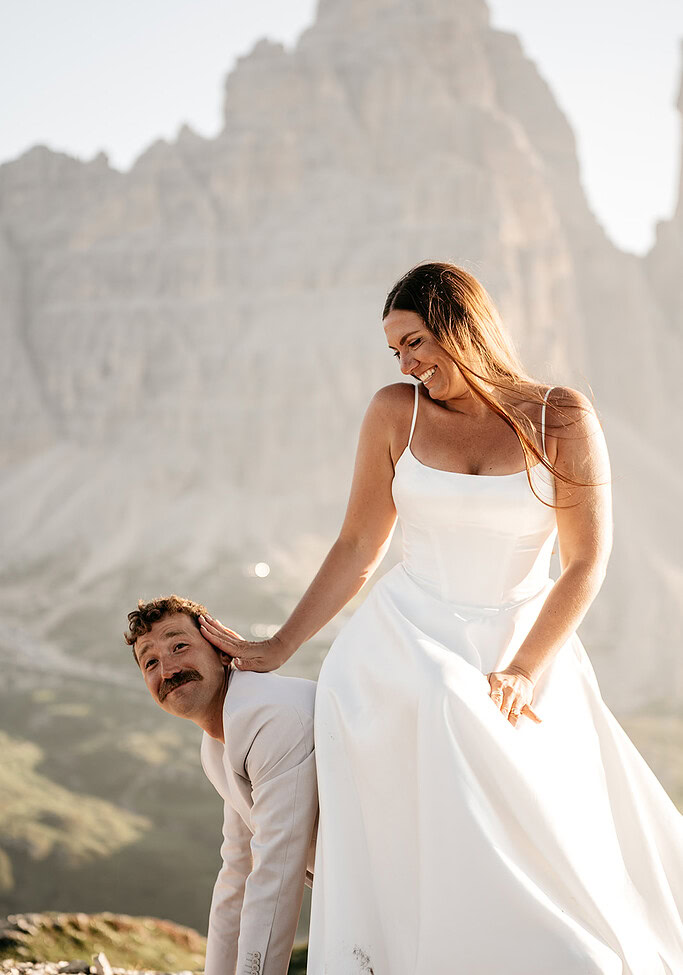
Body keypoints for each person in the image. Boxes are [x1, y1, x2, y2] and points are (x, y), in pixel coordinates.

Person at [199, 263, 683, 973]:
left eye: (415, 341)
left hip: (523, 648)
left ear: (462, 326)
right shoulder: (396, 412)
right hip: (402, 641)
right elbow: (357, 544)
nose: (406, 363)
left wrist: (523, 669)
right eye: (394, 350)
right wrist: (279, 646)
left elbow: (586, 561)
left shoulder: (561, 416)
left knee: (559, 858)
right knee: (447, 702)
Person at [124, 595, 318, 975]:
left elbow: (275, 879)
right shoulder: (218, 742)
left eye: (179, 646)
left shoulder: (270, 718)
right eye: (151, 662)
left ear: (222, 650)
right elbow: (237, 876)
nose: (168, 670)